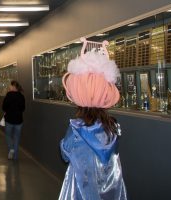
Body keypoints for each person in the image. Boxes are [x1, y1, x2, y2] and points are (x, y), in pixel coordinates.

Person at [59, 39, 127, 200]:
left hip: (83, 188)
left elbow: (65, 154)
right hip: (110, 189)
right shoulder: (112, 126)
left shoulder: (76, 129)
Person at [2, 81, 25, 160]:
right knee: (17, 138)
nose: (9, 87)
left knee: (8, 136)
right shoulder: (21, 96)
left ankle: (11, 149)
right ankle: (15, 157)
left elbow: (4, 107)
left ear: (13, 86)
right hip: (19, 120)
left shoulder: (8, 95)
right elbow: (23, 108)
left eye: (10, 86)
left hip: (9, 119)